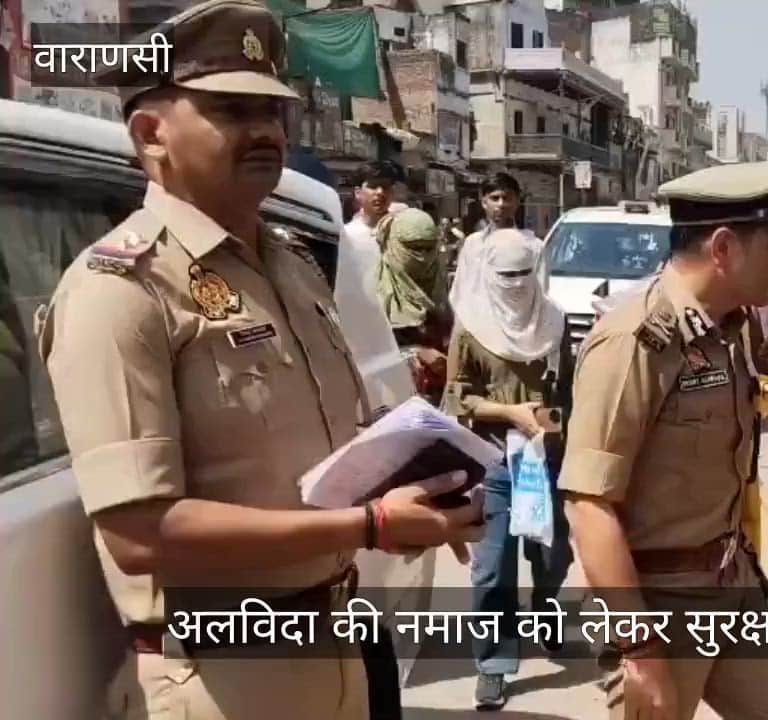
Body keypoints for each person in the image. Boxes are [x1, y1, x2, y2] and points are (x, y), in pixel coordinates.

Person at [34, 2, 484, 718]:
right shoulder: (119, 290)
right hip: (225, 678)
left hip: (337, 645)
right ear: (151, 133)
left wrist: (436, 490)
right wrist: (371, 528)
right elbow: (138, 532)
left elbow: (345, 447)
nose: (267, 131)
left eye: (275, 112)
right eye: (232, 111)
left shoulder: (295, 263)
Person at [560, 160, 768, 720]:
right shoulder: (634, 341)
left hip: (730, 586)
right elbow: (589, 506)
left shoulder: (729, 328)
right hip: (659, 605)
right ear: (724, 247)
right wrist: (639, 647)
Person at [444, 228, 574, 710]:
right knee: (493, 569)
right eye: (506, 276)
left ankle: (544, 607)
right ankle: (494, 664)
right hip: (492, 460)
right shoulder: (472, 326)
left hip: (548, 460)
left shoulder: (555, 322)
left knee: (552, 556)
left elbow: (571, 392)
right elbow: (458, 398)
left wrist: (555, 425)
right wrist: (510, 414)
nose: (516, 285)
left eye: (524, 275)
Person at [375, 208, 453, 402]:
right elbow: (362, 358)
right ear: (392, 244)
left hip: (442, 402)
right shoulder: (369, 291)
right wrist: (413, 353)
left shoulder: (445, 285)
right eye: (413, 248)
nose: (423, 257)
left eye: (428, 248)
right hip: (390, 402)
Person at [345, 161, 400, 247]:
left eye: (385, 186)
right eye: (373, 186)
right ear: (358, 193)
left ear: (392, 193)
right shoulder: (347, 234)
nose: (380, 192)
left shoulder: (403, 232)